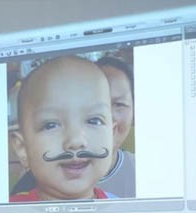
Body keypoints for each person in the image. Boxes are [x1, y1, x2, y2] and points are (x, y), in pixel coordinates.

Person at [9, 56, 115, 202]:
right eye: (51, 125)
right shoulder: (6, 212)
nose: (76, 141)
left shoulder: (126, 211)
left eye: (94, 121)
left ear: (112, 136)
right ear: (22, 148)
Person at [96, 56, 136, 198]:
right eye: (96, 102)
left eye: (119, 104)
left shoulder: (148, 173)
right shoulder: (45, 176)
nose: (107, 117)